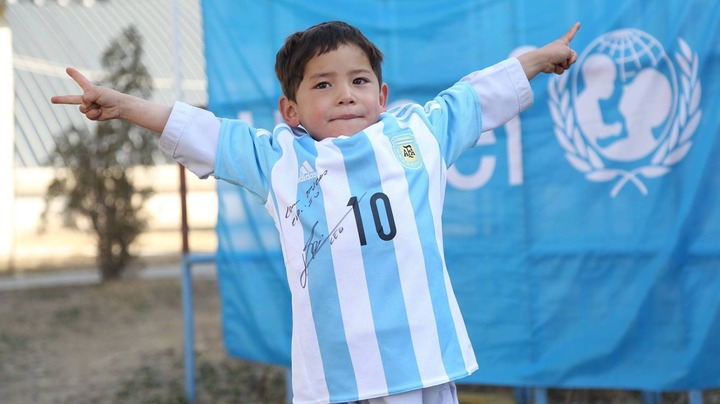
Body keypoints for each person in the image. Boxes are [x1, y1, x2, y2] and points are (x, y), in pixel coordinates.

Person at [52, 20, 580, 404]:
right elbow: (203, 132)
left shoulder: (418, 133)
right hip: (337, 380)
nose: (345, 95)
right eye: (322, 84)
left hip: (424, 364)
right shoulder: (279, 159)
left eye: (359, 81)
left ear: (382, 95)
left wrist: (538, 59)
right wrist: (123, 105)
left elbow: (475, 96)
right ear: (291, 110)